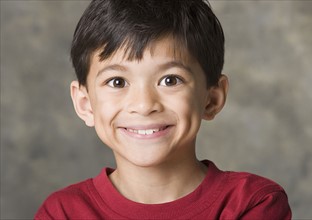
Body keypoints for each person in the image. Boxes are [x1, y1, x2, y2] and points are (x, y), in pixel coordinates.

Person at [35, 0, 292, 219]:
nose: (144, 105)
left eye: (170, 80)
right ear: (85, 104)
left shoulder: (254, 203)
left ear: (212, 99)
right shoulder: (61, 213)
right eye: (117, 82)